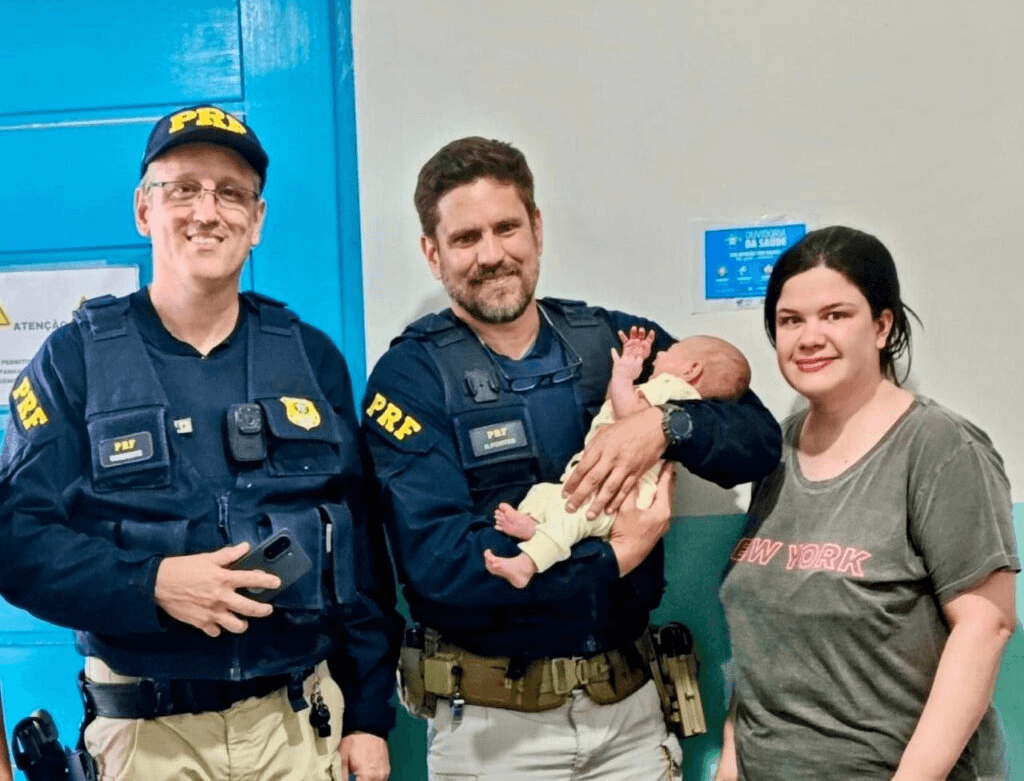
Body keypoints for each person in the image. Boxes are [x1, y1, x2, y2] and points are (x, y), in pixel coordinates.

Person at [361, 135, 782, 780]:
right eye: (466, 237)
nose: (493, 254)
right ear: (432, 253)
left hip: (631, 714)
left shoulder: (610, 342)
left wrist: (664, 428)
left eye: (507, 227)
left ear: (536, 228)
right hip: (493, 732)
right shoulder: (410, 378)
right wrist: (613, 556)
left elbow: (755, 441)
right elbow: (442, 564)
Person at [0, 105, 401, 781]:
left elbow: (358, 552)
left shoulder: (310, 357)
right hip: (148, 738)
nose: (207, 211)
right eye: (182, 188)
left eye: (231, 191)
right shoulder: (75, 360)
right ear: (143, 210)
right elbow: (15, 539)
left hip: (298, 725)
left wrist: (368, 715)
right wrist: (151, 583)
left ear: (257, 220)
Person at [716, 226, 1019, 781]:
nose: (809, 337)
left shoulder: (939, 446)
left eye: (836, 315)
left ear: (882, 326)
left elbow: (986, 627)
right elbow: (759, 660)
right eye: (791, 321)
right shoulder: (771, 451)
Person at [485, 329, 751, 588]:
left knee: (570, 514)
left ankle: (526, 565)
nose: (659, 354)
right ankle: (539, 531)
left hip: (617, 496)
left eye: (670, 351)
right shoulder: (670, 395)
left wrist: (623, 375)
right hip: (607, 489)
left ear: (691, 371)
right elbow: (614, 403)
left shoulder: (673, 388)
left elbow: (626, 413)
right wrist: (626, 381)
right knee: (544, 494)